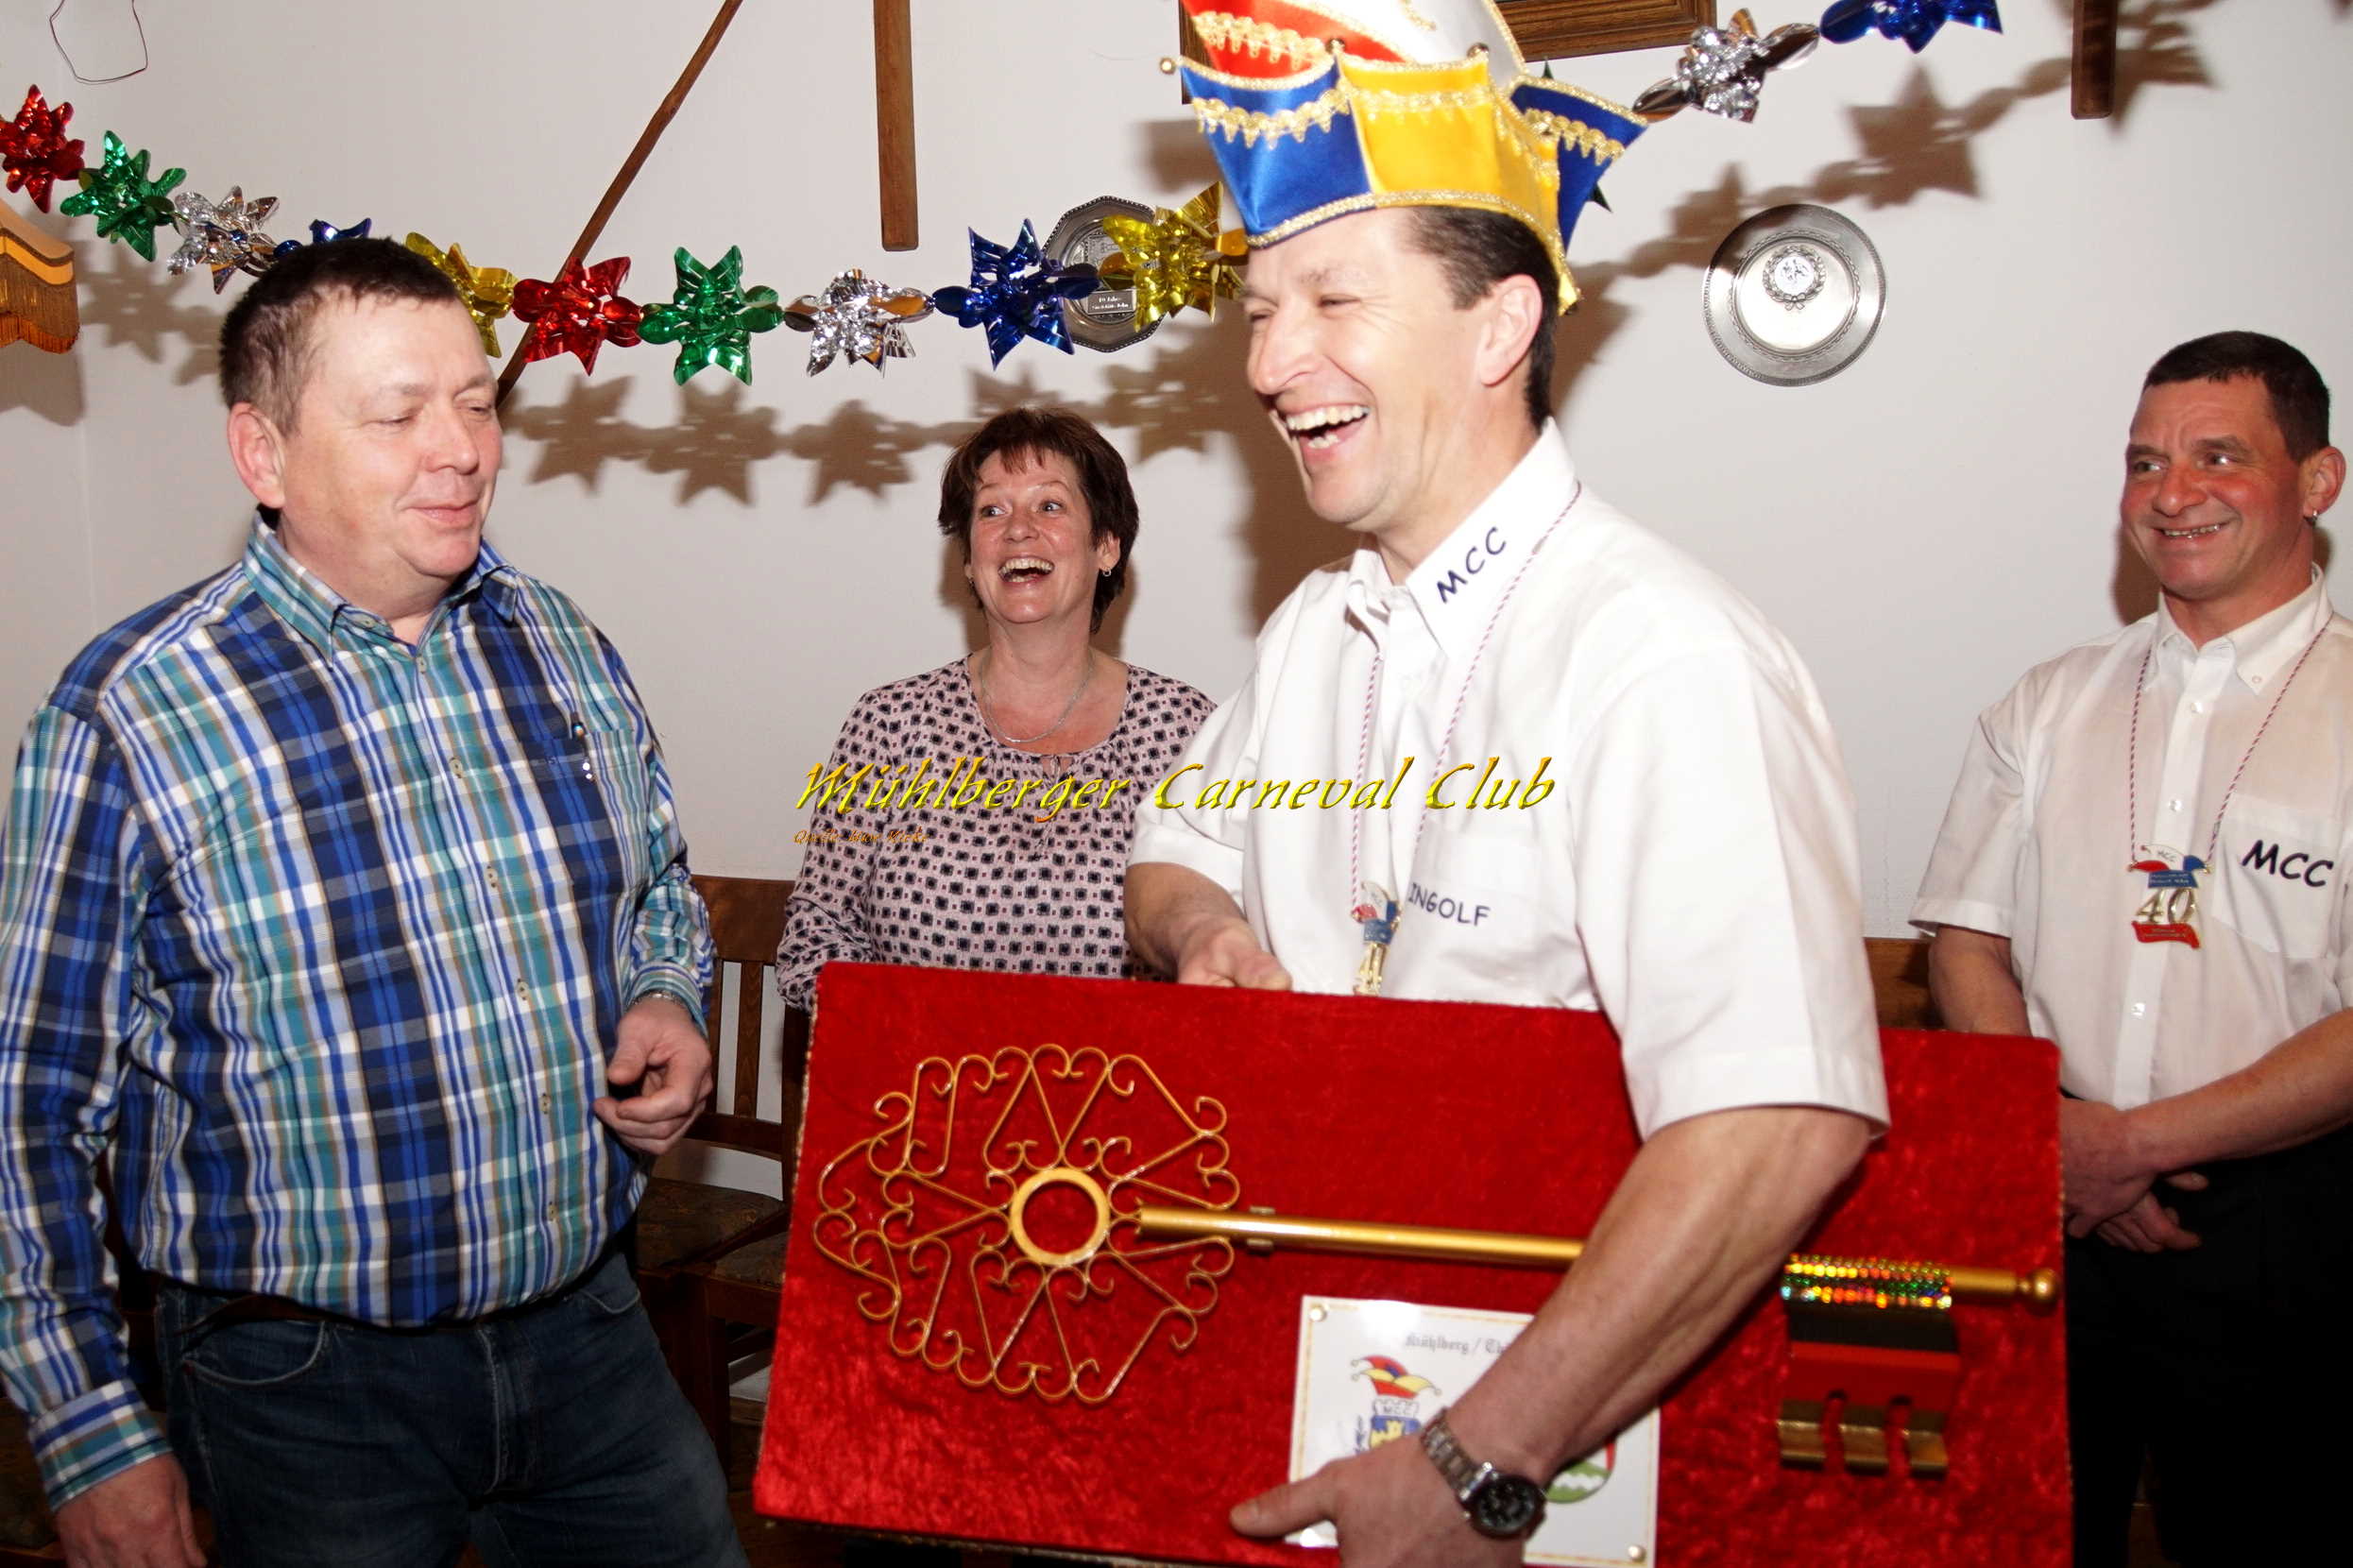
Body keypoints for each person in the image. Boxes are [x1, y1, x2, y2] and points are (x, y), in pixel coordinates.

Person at [1128, 5, 1887, 1563]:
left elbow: (1777, 1118)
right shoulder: (1312, 630)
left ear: (1497, 329)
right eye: (1259, 311)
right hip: (1315, 1350)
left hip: (1559, 1441)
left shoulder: (1660, 655)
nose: (1267, 362)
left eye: (1331, 298)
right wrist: (1205, 932)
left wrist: (1477, 1464)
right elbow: (1172, 854)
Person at [0, 237, 743, 1568]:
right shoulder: (130, 713)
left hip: (588, 1332)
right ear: (264, 454)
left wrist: (665, 996)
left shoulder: (560, 642)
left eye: (475, 401)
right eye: (398, 415)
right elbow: (28, 1099)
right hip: (303, 1389)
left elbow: (656, 890)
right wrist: (89, 1427)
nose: (461, 450)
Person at [1913, 331, 2350, 1568]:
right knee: (2024, 1545)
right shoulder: (2046, 701)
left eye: (2218, 456)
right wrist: (2056, 1140)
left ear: (2315, 481)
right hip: (2046, 1213)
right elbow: (1963, 944)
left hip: (2285, 1228)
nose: (2170, 493)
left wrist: (2132, 1146)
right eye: (2143, 462)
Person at [776, 406, 1212, 1014]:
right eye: (991, 511)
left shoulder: (1186, 729)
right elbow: (814, 938)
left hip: (1122, 1071)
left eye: (1050, 505)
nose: (1018, 530)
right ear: (968, 559)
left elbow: (1223, 941)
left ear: (1107, 546)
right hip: (920, 1068)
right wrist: (916, 1033)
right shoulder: (889, 724)